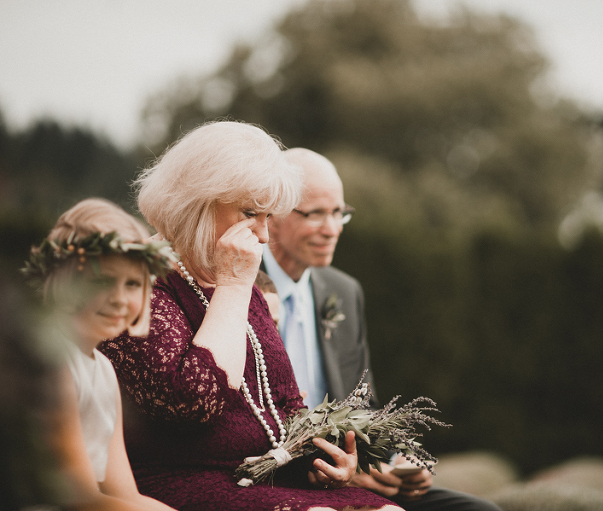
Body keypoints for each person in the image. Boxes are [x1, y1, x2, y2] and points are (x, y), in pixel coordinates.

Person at [98, 121, 402, 511]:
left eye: (268, 218)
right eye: (249, 214)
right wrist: (235, 287)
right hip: (186, 479)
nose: (262, 235)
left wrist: (324, 461)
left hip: (270, 476)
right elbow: (193, 402)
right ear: (199, 203)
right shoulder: (138, 285)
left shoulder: (240, 286)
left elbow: (287, 405)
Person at [263, 148, 502, 511]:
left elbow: (365, 405)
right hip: (276, 477)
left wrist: (399, 464)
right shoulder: (238, 287)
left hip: (353, 473)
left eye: (339, 213)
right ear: (273, 213)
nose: (331, 229)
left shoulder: (343, 292)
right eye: (315, 214)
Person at [20, 197, 177, 510]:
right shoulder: (54, 364)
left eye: (132, 284)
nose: (120, 299)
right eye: (103, 281)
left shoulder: (103, 369)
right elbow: (80, 497)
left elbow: (123, 493)